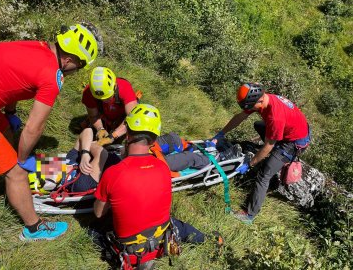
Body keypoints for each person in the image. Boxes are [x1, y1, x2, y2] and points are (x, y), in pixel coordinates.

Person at [0, 23, 101, 240]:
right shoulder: (52, 76)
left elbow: (11, 80)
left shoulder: (37, 47)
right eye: (79, 67)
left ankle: (3, 165)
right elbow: (34, 127)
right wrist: (21, 161)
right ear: (69, 61)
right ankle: (34, 228)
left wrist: (10, 112)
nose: (75, 72)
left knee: (5, 129)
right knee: (17, 173)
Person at [91, 103, 223, 269]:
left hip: (130, 252)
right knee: (179, 226)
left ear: (127, 135)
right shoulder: (162, 168)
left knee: (94, 227)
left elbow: (98, 213)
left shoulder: (113, 173)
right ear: (153, 140)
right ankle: (208, 240)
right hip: (161, 242)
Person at [211, 83, 310, 224]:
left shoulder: (275, 116)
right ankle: (276, 147)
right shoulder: (262, 100)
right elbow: (240, 117)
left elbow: (268, 146)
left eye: (250, 107)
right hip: (288, 131)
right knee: (258, 124)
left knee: (264, 174)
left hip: (294, 143)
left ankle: (249, 215)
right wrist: (221, 133)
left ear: (259, 101)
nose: (248, 110)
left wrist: (249, 164)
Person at [82, 66, 138, 146]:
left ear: (115, 87)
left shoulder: (124, 87)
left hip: (122, 117)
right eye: (100, 99)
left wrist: (113, 136)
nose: (105, 101)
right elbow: (93, 116)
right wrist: (100, 129)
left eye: (108, 97)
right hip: (104, 116)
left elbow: (133, 119)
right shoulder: (88, 93)